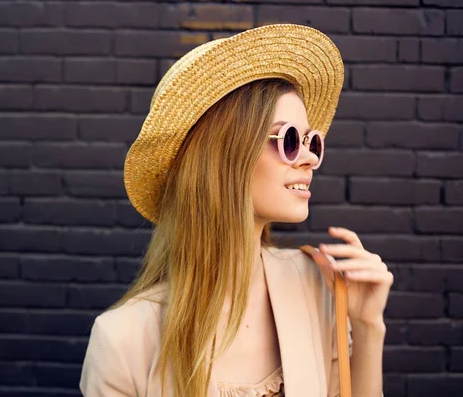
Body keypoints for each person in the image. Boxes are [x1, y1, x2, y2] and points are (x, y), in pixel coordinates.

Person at [79, 24, 393, 397]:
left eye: (312, 141)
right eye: (290, 139)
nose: (310, 158)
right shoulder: (122, 339)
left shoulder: (316, 285)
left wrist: (368, 324)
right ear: (224, 155)